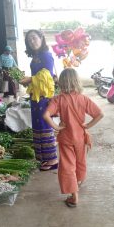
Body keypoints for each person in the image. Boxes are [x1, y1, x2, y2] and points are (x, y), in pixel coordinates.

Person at [43, 68, 103, 207]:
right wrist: (87, 125)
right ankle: (79, 181)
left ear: (61, 82)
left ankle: (74, 195)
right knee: (80, 161)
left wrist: (57, 127)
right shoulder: (83, 99)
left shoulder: (58, 100)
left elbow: (46, 115)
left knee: (68, 166)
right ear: (77, 81)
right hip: (81, 137)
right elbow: (100, 114)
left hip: (66, 138)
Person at [20, 29, 58, 171]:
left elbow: (47, 77)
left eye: (34, 38)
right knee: (37, 126)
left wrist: (30, 79)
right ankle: (43, 158)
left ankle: (52, 160)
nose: (32, 41)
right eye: (29, 39)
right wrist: (28, 82)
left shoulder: (46, 56)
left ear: (41, 38)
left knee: (44, 125)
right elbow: (37, 78)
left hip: (44, 97)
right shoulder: (35, 57)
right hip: (35, 97)